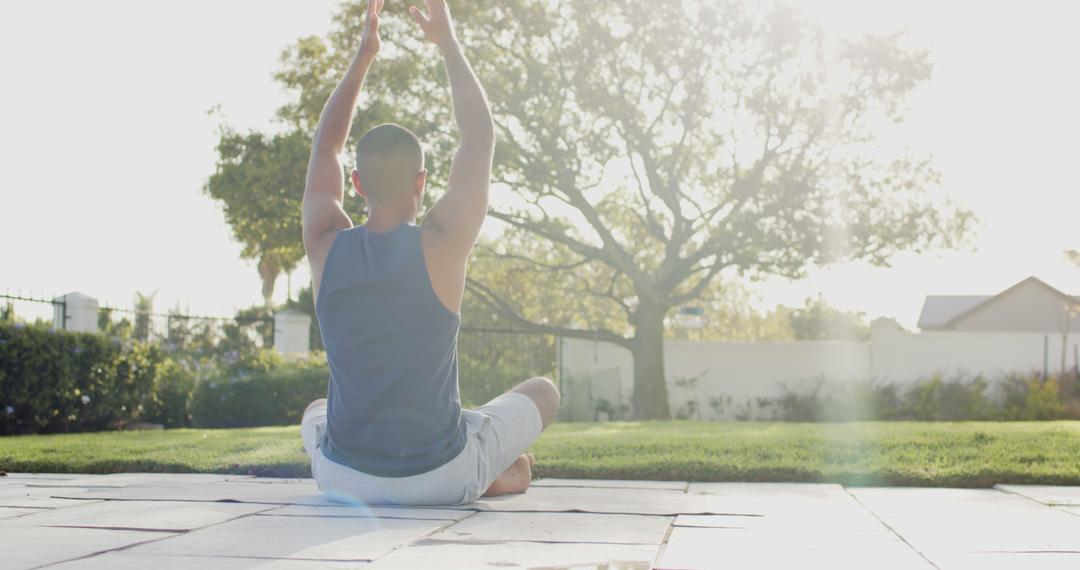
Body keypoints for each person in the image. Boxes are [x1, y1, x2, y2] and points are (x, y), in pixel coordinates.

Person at [298, 0, 560, 506]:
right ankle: (495, 468)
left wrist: (364, 56)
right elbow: (479, 135)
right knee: (543, 390)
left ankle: (482, 456)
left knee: (315, 408)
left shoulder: (325, 243)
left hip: (342, 479)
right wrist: (447, 41)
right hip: (437, 477)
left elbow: (324, 149)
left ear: (355, 184)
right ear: (422, 182)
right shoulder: (443, 241)